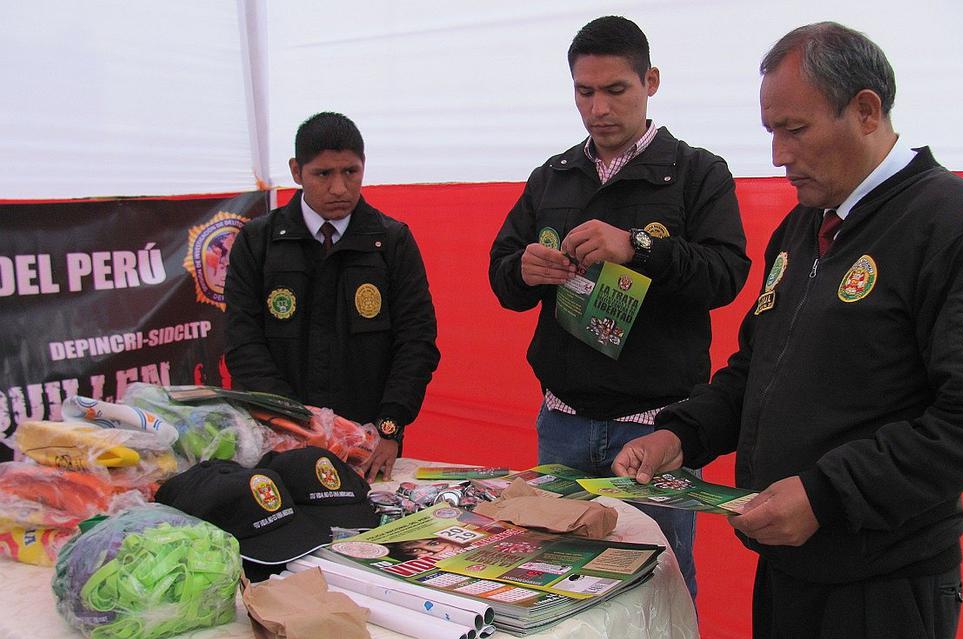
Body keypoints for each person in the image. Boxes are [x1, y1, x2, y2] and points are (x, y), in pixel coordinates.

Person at [613, 22, 963, 639]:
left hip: (883, 587)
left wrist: (827, 493)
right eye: (770, 132)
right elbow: (755, 368)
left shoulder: (953, 223)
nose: (779, 156)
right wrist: (680, 435)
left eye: (796, 129)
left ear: (865, 111)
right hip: (787, 572)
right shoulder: (801, 227)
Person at [488, 15, 749, 600]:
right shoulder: (551, 177)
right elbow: (502, 278)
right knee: (555, 585)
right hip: (562, 421)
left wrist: (639, 247)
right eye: (585, 92)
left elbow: (727, 274)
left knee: (658, 589)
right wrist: (523, 270)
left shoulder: (697, 172)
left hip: (659, 429)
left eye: (615, 90)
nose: (599, 108)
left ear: (650, 81)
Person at [224, 112, 440, 483]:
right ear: (297, 171)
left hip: (369, 446)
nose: (339, 188)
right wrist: (293, 424)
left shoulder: (392, 241)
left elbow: (416, 342)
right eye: (323, 174)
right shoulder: (258, 242)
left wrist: (389, 428)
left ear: (363, 166)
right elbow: (244, 344)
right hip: (281, 441)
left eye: (351, 172)